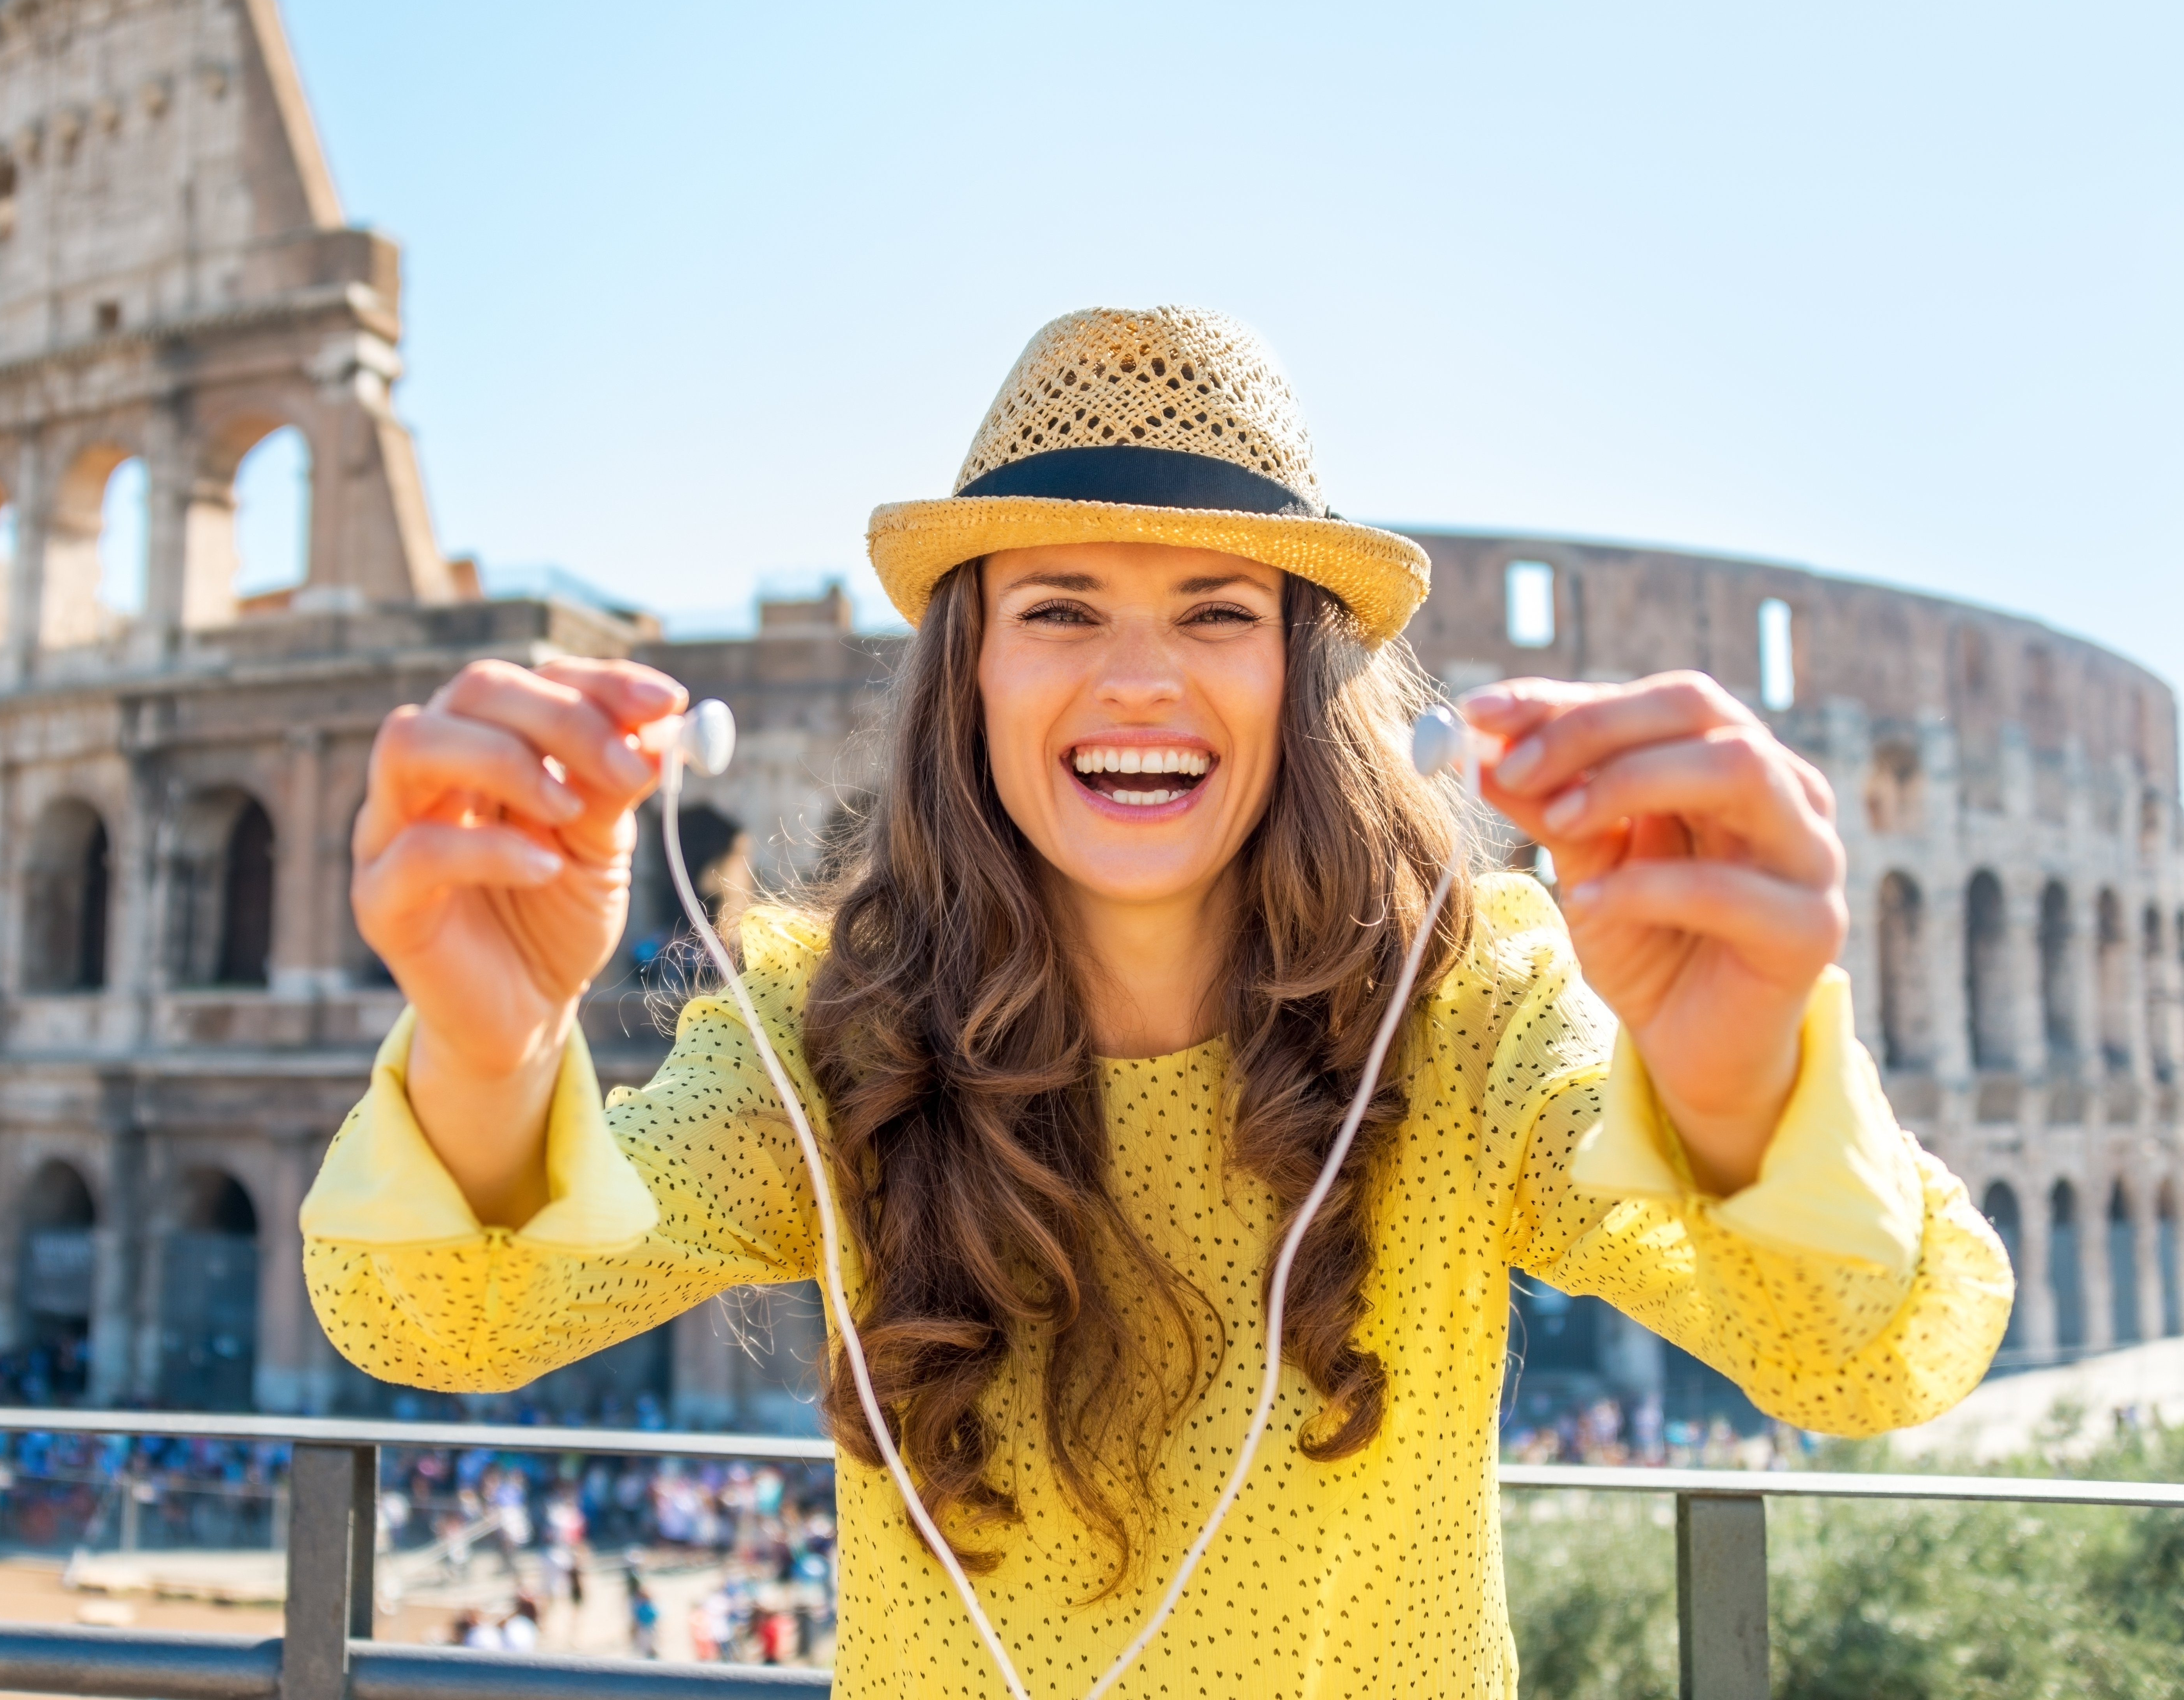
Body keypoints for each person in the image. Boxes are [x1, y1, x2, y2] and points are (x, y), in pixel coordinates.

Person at [302, 307, 2013, 1695]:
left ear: (1305, 672)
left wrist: (1738, 1082)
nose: (1138, 675)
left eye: (1216, 611)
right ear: (967, 673)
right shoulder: (818, 1023)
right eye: (1058, 609)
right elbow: (437, 1322)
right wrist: (486, 1040)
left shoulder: (1471, 1001)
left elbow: (1871, 1358)